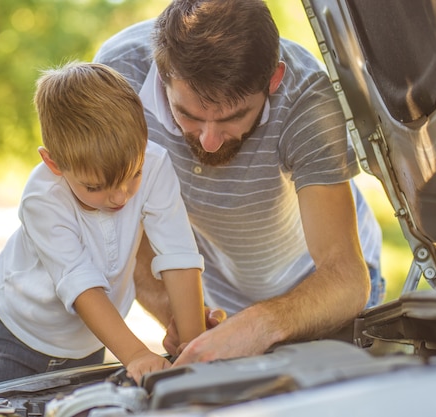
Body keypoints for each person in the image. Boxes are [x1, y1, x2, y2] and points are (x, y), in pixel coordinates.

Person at [93, 0, 385, 365]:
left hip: (316, 294)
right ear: (161, 73)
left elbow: (345, 277)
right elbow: (117, 226)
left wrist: (259, 325)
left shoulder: (305, 100)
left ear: (273, 80)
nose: (208, 141)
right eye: (188, 115)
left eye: (234, 117)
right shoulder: (117, 79)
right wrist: (183, 316)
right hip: (222, 299)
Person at [0, 62, 206, 387]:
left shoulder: (154, 164)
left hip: (88, 337)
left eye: (133, 175)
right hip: (16, 330)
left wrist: (194, 348)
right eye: (95, 187)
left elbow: (178, 253)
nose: (120, 197)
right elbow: (82, 285)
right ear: (53, 163)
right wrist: (136, 354)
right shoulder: (43, 199)